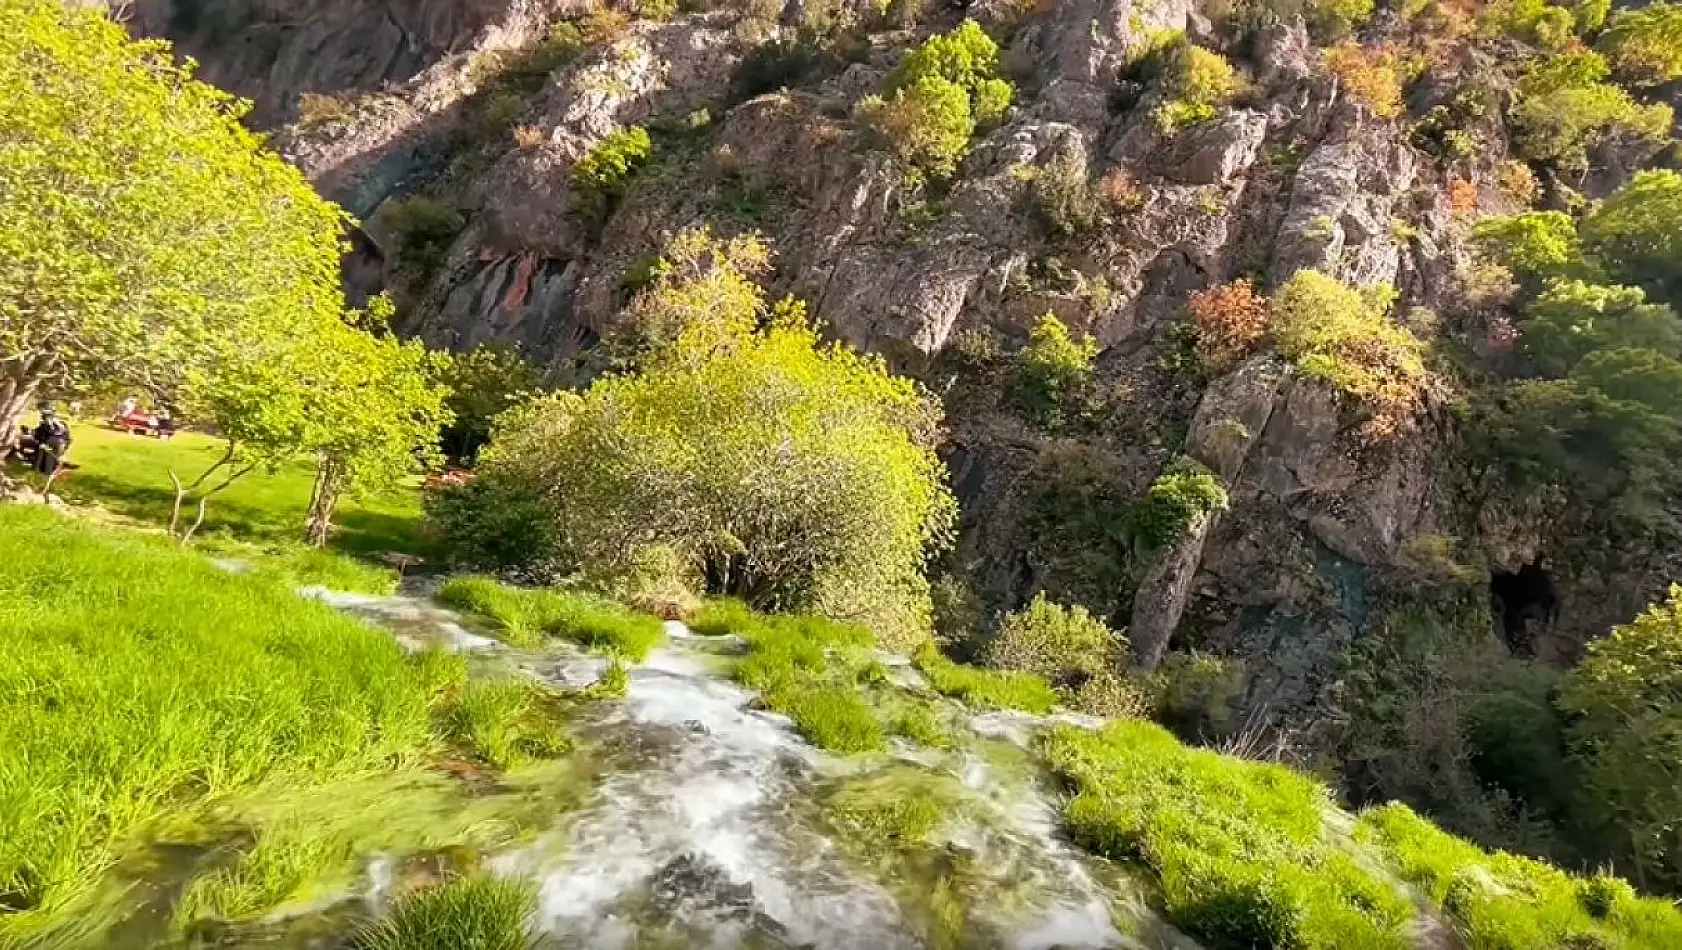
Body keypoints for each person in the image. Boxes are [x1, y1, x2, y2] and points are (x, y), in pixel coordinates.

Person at [32, 408, 71, 477]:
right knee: (45, 454)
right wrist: (41, 443)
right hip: (47, 447)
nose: (48, 419)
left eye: (49, 416)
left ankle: (49, 471)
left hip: (58, 445)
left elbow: (66, 436)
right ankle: (42, 472)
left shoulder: (61, 425)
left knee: (50, 454)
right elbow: (39, 437)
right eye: (46, 417)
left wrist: (57, 426)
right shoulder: (42, 427)